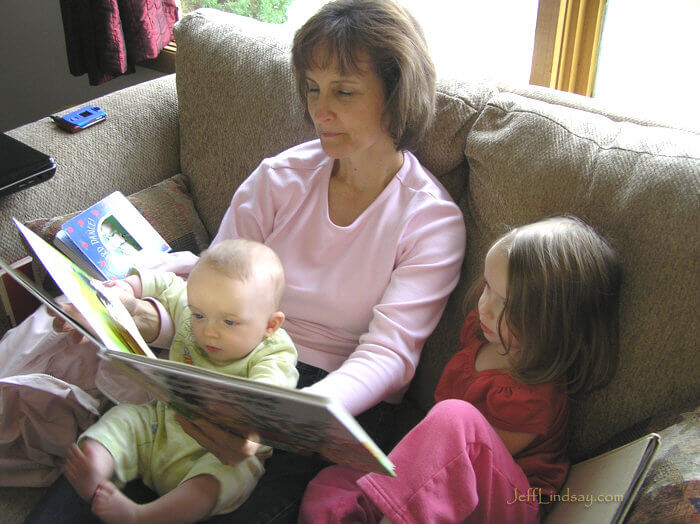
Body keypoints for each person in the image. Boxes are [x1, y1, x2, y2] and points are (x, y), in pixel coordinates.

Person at [17, 0, 465, 522]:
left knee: (219, 494)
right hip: (227, 358)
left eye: (344, 92)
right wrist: (138, 319)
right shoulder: (280, 177)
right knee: (96, 479)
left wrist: (276, 415)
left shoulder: (431, 221)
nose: (320, 111)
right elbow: (215, 280)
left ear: (396, 96)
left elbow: (389, 357)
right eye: (313, 88)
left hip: (326, 397)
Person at [299, 216, 622, 523]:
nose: (484, 306)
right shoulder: (481, 330)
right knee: (333, 486)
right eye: (487, 288)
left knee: (456, 416)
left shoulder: (537, 396)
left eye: (504, 305)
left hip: (503, 504)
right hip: (440, 485)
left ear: (552, 325)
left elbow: (456, 462)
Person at [63, 238, 298, 523]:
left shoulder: (275, 353)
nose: (208, 331)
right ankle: (96, 475)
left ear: (270, 325)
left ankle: (144, 516)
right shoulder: (194, 311)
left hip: (220, 451)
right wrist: (129, 288)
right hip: (160, 426)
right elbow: (167, 284)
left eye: (229, 322)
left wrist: (250, 410)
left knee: (225, 477)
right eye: (200, 315)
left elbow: (271, 394)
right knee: (122, 418)